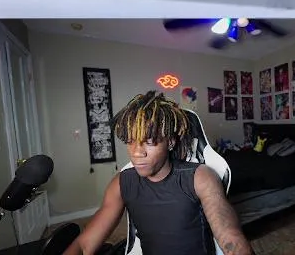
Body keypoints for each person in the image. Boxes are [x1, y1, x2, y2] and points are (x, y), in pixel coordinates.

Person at [63, 90, 252, 255]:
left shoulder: (200, 178)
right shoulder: (121, 184)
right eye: (130, 141)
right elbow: (84, 245)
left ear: (170, 142)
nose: (137, 152)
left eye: (150, 141)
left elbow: (230, 239)